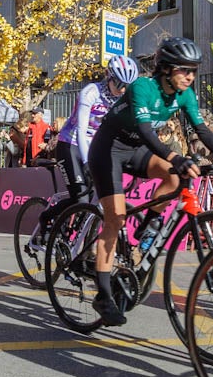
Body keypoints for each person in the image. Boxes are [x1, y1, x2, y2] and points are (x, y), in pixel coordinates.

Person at [87, 38, 213, 327]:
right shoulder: (142, 87)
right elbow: (146, 131)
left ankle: (147, 227)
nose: (191, 76)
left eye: (194, 71)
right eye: (185, 70)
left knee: (174, 176)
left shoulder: (184, 95)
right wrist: (175, 156)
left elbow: (202, 130)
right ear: (167, 69)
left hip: (136, 149)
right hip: (108, 150)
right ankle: (104, 295)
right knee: (115, 219)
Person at [33, 55, 138, 246]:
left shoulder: (124, 98)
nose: (123, 89)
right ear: (108, 76)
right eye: (119, 83)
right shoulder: (90, 92)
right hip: (71, 143)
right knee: (80, 197)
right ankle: (47, 217)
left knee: (95, 198)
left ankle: (81, 241)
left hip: (96, 146)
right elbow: (81, 130)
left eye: (127, 86)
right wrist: (88, 163)